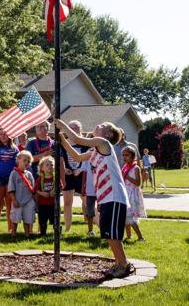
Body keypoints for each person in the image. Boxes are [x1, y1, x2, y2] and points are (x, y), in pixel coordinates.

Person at [56, 119, 134, 279]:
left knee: (113, 234)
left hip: (115, 195)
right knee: (108, 233)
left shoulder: (103, 143)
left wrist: (63, 126)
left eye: (102, 126)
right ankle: (119, 263)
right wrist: (62, 140)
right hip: (105, 197)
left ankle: (124, 265)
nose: (97, 125)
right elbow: (77, 157)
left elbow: (77, 139)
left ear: (108, 134)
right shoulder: (93, 151)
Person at [0, 129, 18, 232]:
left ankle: (10, 229)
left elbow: (17, 163)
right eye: (1, 134)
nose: (3, 136)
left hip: (10, 179)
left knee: (9, 204)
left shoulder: (14, 149)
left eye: (5, 134)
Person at [62, 120, 85, 232]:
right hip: (68, 176)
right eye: (70, 128)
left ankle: (101, 226)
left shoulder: (84, 143)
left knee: (86, 201)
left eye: (75, 128)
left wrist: (80, 169)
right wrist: (64, 169)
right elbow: (58, 158)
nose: (72, 130)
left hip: (81, 175)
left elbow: (90, 158)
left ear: (80, 130)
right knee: (67, 203)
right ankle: (67, 228)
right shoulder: (63, 143)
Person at [8, 151, 36, 237]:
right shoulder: (14, 173)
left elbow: (33, 188)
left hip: (28, 200)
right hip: (17, 200)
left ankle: (27, 234)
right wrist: (14, 200)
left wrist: (34, 200)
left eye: (28, 161)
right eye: (24, 160)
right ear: (18, 160)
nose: (26, 163)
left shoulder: (29, 175)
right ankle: (13, 234)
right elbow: (11, 188)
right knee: (15, 218)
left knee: (27, 218)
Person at [121, 145, 146, 241]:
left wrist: (127, 177)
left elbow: (138, 183)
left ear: (133, 156)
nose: (124, 157)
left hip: (132, 195)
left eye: (127, 155)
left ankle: (141, 237)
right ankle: (128, 236)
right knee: (125, 216)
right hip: (126, 194)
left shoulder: (136, 168)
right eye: (123, 155)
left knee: (130, 217)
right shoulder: (125, 167)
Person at [34, 156, 59, 236]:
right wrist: (43, 194)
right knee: (42, 220)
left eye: (52, 164)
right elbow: (36, 190)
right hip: (42, 204)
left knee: (55, 219)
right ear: (42, 168)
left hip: (53, 204)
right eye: (47, 165)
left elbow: (61, 187)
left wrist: (55, 191)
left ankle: (57, 233)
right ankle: (42, 233)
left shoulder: (56, 178)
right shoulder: (40, 179)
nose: (50, 166)